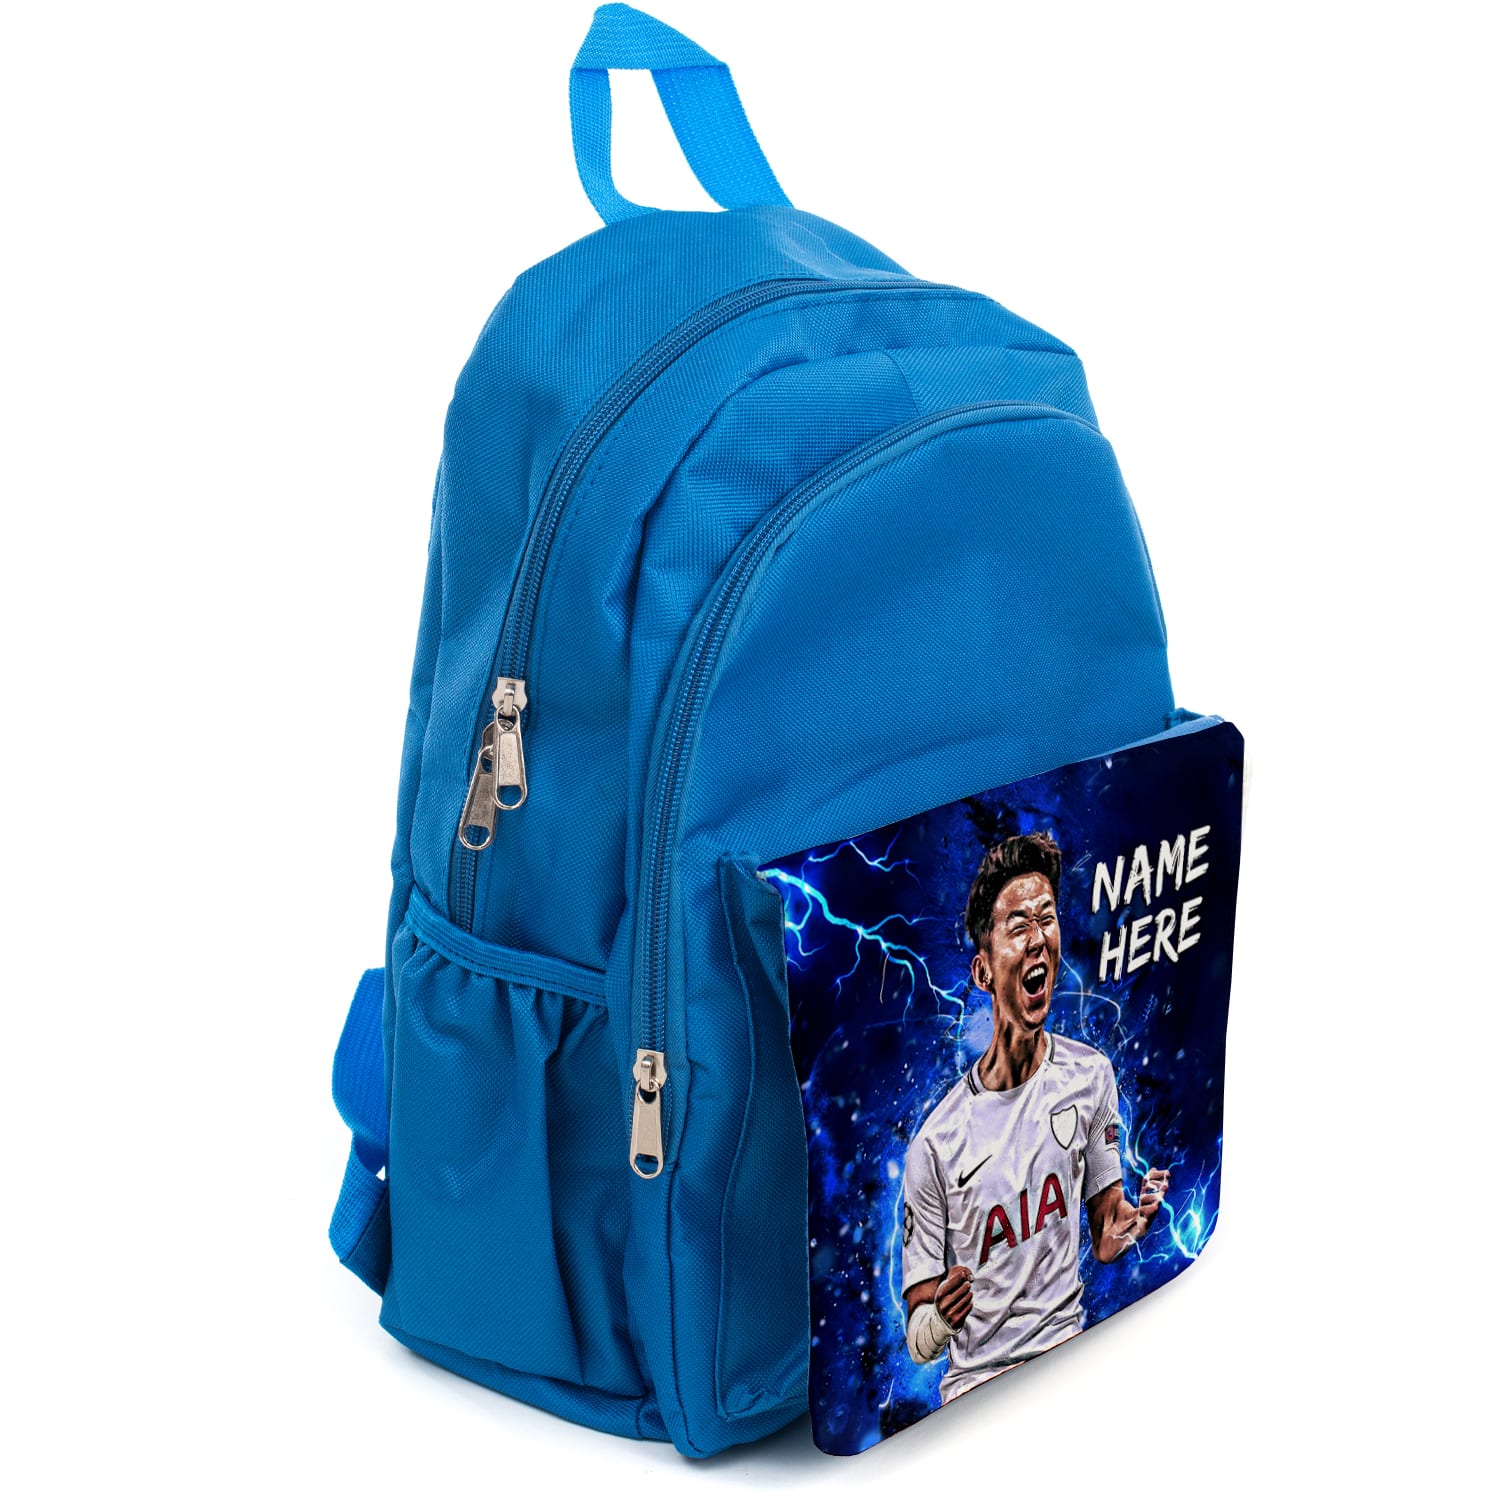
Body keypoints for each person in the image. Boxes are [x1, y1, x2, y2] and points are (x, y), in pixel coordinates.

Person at [901, 831, 1170, 1401]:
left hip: (1070, 1359)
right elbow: (919, 1339)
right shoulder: (935, 1145)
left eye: (1046, 919)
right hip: (976, 1392)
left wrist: (1132, 1222)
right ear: (983, 972)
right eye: (1019, 925)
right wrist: (942, 1318)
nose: (1039, 938)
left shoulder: (1091, 1076)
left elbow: (1105, 1235)